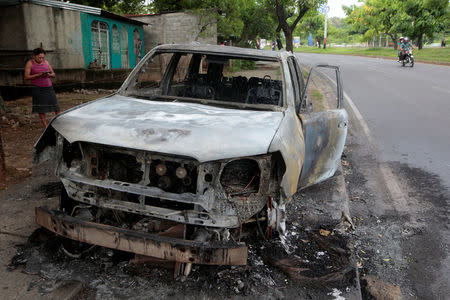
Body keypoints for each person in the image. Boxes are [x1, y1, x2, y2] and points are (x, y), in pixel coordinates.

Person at [24, 48, 60, 128]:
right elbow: (26, 77)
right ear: (34, 56)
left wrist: (49, 75)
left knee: (56, 106)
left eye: (43, 57)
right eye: (39, 57)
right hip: (37, 88)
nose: (41, 59)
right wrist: (38, 75)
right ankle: (45, 126)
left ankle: (59, 123)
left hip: (49, 87)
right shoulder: (30, 63)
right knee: (41, 108)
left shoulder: (46, 62)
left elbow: (53, 74)